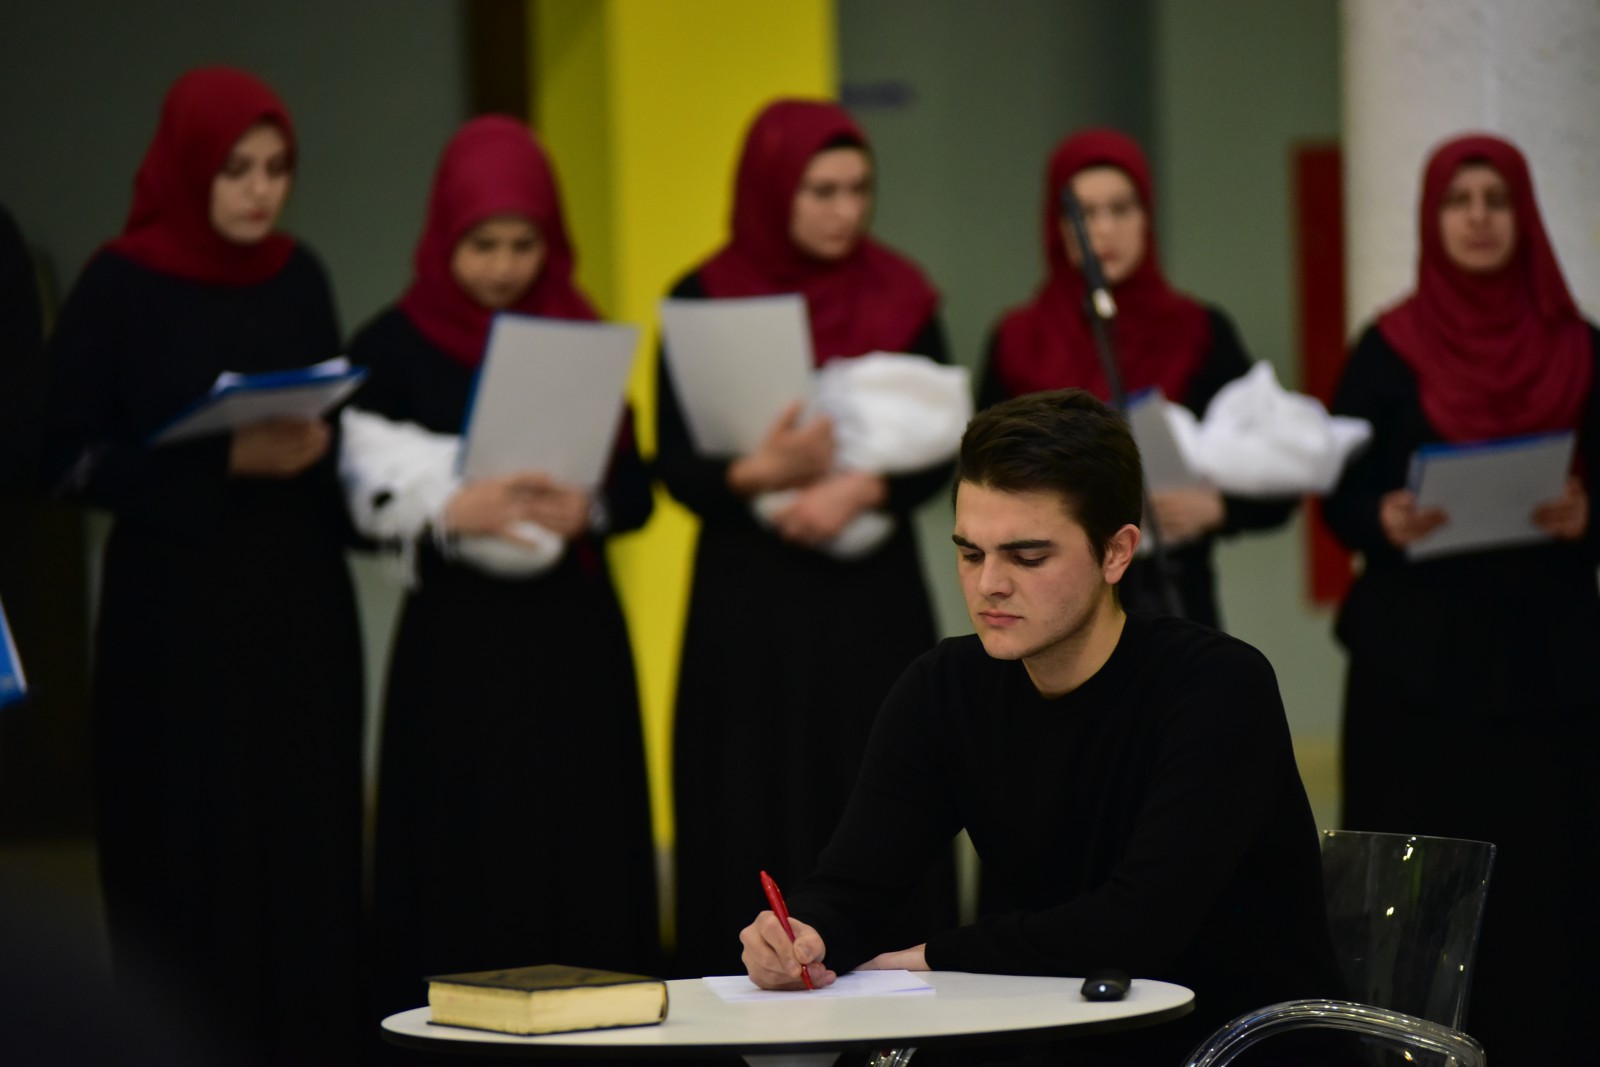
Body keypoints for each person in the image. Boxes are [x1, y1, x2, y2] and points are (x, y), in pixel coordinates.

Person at [740, 389, 1342, 1066]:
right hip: (1063, 1026)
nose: (989, 584)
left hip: (1235, 1040)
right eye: (970, 553)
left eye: (1027, 558)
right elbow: (856, 882)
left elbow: (1141, 923)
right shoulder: (945, 687)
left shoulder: (1218, 687)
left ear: (1117, 554)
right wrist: (806, 931)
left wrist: (935, 955)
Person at [40, 68, 365, 1063]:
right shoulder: (120, 281)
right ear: (190, 166)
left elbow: (326, 409)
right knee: (186, 856)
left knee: (301, 855)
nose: (259, 190)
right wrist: (222, 456)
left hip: (298, 606)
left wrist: (315, 440)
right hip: (174, 619)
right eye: (235, 169)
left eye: (275, 169)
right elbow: (58, 452)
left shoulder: (297, 271)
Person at [344, 116, 659, 1020]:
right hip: (456, 641)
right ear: (446, 235)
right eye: (482, 243)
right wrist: (448, 511)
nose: (503, 265)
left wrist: (586, 508)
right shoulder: (394, 344)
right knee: (460, 841)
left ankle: (595, 1019)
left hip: (571, 634)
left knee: (578, 839)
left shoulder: (579, 329)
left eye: (525, 243)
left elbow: (635, 492)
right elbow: (351, 506)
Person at [659, 98, 957, 977]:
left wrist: (862, 485)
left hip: (871, 597)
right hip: (751, 601)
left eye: (859, 188)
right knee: (750, 786)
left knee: (883, 777)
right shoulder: (703, 294)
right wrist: (763, 472)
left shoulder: (903, 295)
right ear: (771, 191)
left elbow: (944, 442)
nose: (844, 209)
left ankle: (899, 1000)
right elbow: (671, 461)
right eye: (819, 189)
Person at [1323, 133, 1600, 1062]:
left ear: (1524, 216)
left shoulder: (1581, 347)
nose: (1478, 218)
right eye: (1458, 200)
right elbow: (1340, 495)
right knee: (1415, 894)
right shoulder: (1389, 349)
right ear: (1431, 220)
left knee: (1551, 884)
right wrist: (1386, 517)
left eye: (1496, 199)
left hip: (1550, 677)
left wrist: (1585, 513)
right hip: (1419, 675)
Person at [979, 129, 1295, 630]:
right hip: (1045, 608)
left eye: (1122, 209)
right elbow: (979, 485)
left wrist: (1218, 509)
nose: (1104, 230)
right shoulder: (1018, 340)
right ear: (1055, 225)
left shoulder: (1198, 330)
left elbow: (1280, 467)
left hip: (1170, 598)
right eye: (1083, 214)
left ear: (1147, 216)